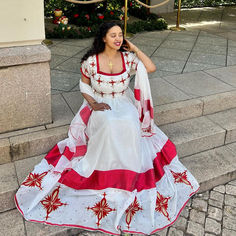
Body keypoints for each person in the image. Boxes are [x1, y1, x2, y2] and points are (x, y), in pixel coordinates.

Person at [14, 22, 200, 235]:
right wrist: (93, 103)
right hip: (100, 103)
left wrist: (135, 48)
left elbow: (150, 68)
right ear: (103, 38)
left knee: (129, 122)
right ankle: (105, 167)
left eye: (120, 35)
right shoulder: (90, 62)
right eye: (113, 35)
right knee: (109, 123)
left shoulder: (128, 59)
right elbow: (84, 84)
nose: (118, 39)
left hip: (123, 101)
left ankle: (127, 170)